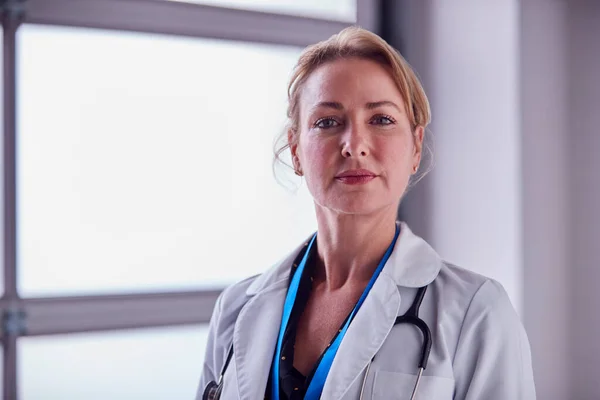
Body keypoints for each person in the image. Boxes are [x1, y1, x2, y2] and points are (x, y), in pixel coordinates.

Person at [196, 26, 536, 400]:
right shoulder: (237, 309)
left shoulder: (477, 312)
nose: (354, 145)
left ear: (415, 147)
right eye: (327, 122)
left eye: (381, 120)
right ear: (295, 150)